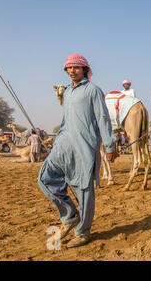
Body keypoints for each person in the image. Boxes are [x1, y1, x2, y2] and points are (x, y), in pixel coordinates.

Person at [37, 53, 119, 249]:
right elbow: (65, 121)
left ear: (84, 70)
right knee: (45, 178)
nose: (72, 71)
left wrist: (109, 145)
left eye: (76, 67)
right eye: (69, 68)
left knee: (84, 189)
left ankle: (82, 232)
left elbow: (103, 118)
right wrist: (56, 141)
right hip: (63, 144)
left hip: (85, 145)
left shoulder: (93, 90)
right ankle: (70, 215)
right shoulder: (68, 93)